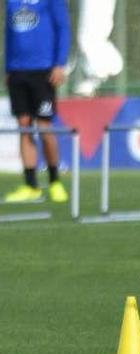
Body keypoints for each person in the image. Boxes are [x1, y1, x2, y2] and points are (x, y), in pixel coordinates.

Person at [4, 0, 70, 203]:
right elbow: (9, 33)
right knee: (23, 125)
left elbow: (63, 28)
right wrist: (7, 66)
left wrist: (60, 64)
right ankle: (30, 184)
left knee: (44, 126)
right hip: (17, 71)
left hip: (43, 70)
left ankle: (54, 180)